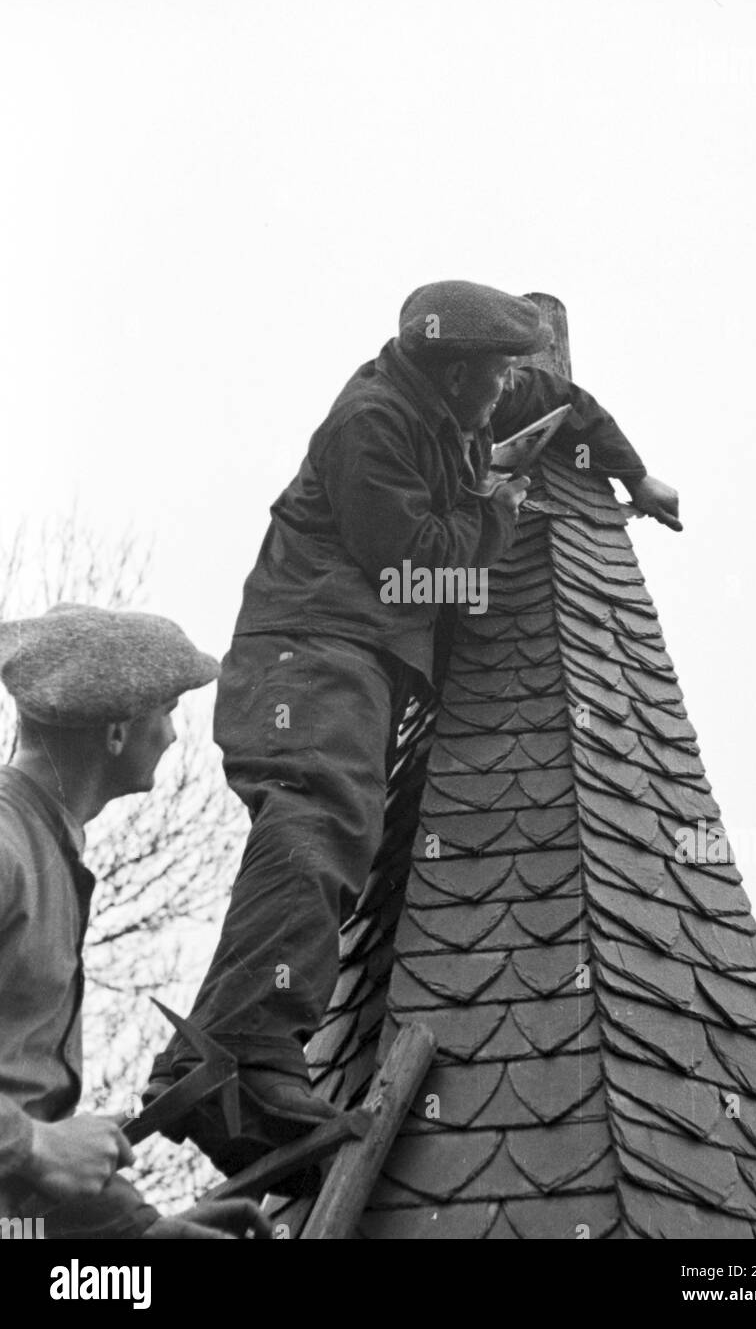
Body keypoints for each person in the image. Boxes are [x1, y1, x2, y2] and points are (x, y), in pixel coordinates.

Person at [148, 280, 680, 1176]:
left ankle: (238, 1067)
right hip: (311, 649)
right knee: (319, 818)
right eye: (499, 371)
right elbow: (422, 572)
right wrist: (499, 507)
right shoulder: (372, 423)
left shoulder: (465, 386)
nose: (510, 386)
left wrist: (634, 473)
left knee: (334, 833)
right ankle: (241, 1054)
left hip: (358, 655)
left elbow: (562, 400)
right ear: (461, 369)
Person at [0, 603, 270, 1239]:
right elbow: (35, 1142)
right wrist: (34, 1145)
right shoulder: (7, 848)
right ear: (116, 732)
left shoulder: (47, 847)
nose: (175, 736)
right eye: (168, 711)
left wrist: (143, 1232)